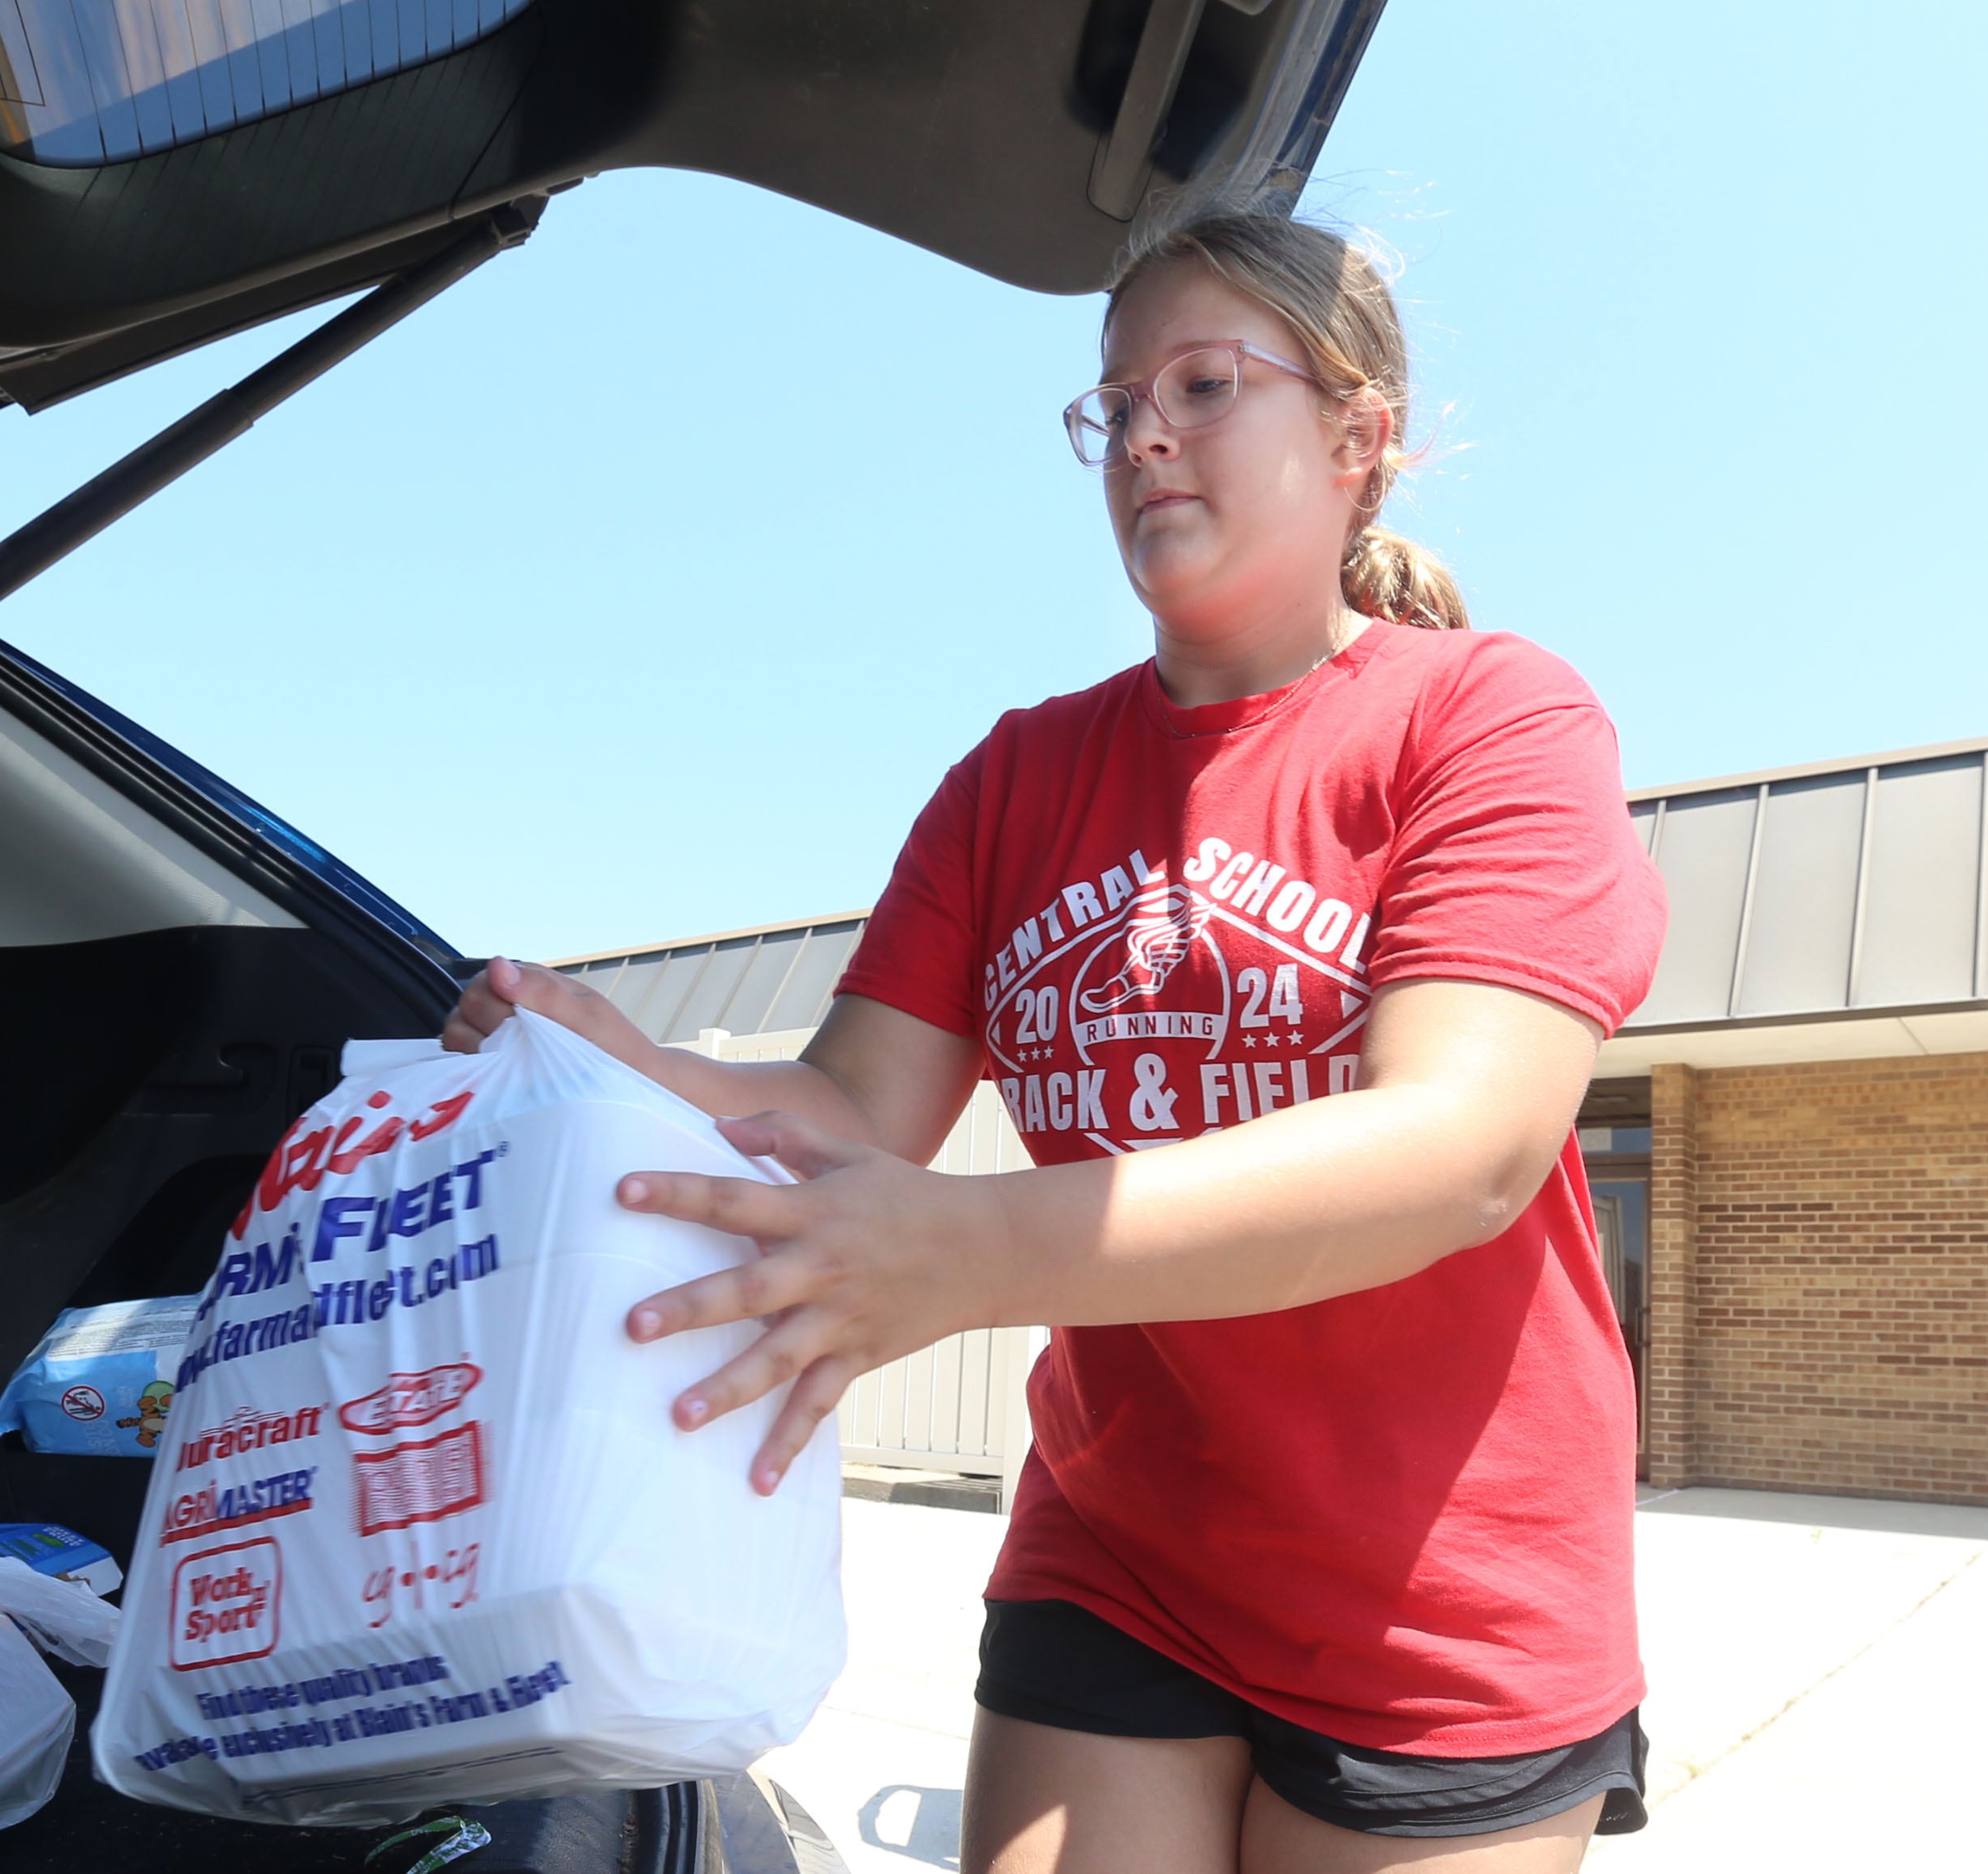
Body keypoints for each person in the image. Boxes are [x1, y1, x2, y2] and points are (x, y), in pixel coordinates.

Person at [442, 206, 1666, 1873]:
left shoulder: (1491, 717)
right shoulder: (1016, 778)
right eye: (1116, 401)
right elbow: (843, 1107)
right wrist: (599, 1053)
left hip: (1438, 1596)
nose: (1145, 431)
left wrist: (967, 1253)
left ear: (1361, 435)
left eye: (1208, 382)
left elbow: (1461, 1146)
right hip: (1125, 1549)